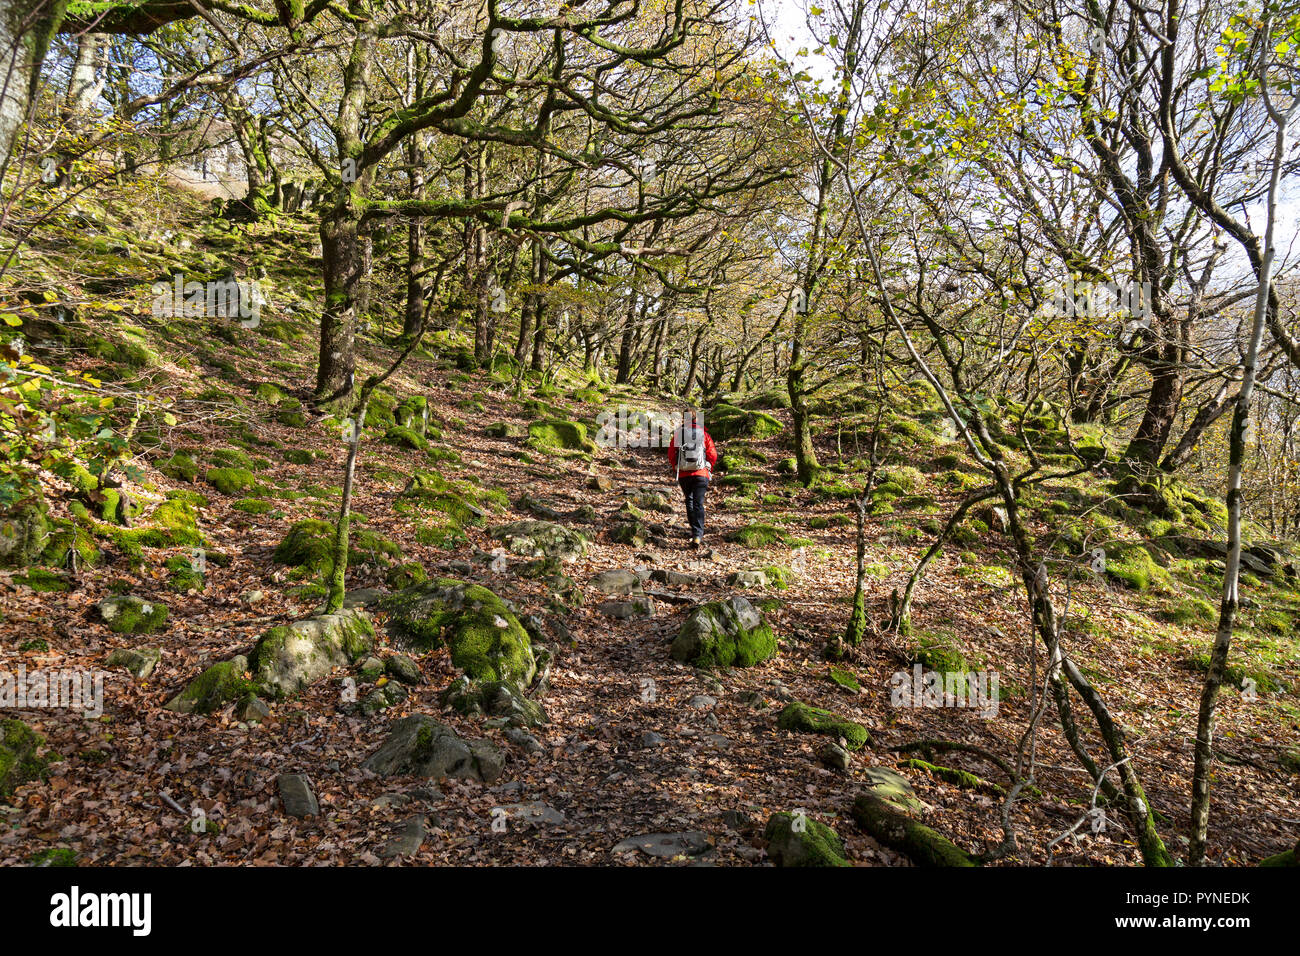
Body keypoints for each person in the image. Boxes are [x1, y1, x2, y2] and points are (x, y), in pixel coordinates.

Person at [666, 409, 717, 549]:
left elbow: (671, 453)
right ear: (696, 418)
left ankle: (694, 531)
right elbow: (712, 454)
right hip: (701, 474)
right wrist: (708, 466)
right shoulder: (704, 434)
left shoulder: (678, 434)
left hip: (684, 474)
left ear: (684, 419)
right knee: (698, 503)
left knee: (689, 499)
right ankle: (698, 534)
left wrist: (676, 466)